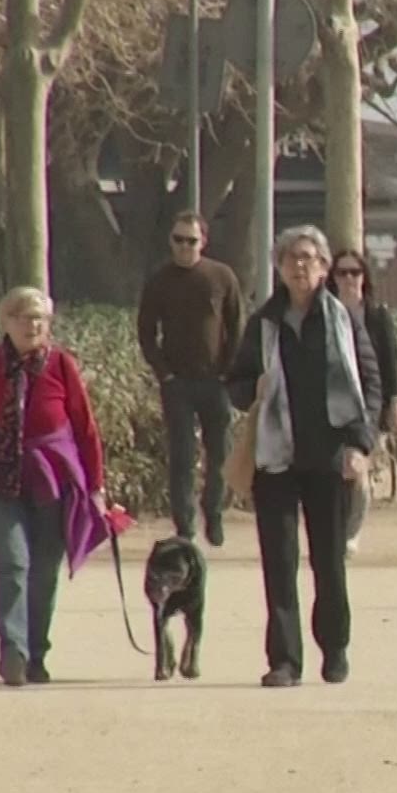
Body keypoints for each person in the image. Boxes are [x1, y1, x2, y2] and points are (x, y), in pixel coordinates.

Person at [226, 225, 383, 687]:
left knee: (329, 561)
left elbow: (369, 385)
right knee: (278, 562)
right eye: (291, 257)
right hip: (275, 456)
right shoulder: (264, 323)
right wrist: (251, 389)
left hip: (329, 455)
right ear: (278, 267)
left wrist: (360, 445)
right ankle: (285, 660)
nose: (300, 265)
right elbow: (235, 383)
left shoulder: (343, 320)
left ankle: (334, 649)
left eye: (309, 257)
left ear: (324, 267)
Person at [0, 287, 110, 686]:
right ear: (6, 322)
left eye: (40, 319)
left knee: (44, 570)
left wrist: (96, 488)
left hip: (52, 481)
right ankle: (13, 650)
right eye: (24, 317)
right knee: (12, 562)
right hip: (1, 481)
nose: (33, 326)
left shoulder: (61, 365)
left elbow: (86, 430)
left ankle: (36, 653)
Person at [137, 210, 245, 547]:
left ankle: (213, 511)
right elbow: (146, 331)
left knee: (220, 453)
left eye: (191, 241)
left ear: (203, 242)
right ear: (170, 242)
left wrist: (229, 370)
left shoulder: (221, 276)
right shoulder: (159, 280)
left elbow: (236, 326)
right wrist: (164, 373)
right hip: (178, 383)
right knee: (182, 456)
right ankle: (184, 523)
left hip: (215, 381)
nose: (184, 247)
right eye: (178, 240)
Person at [329, 249, 397, 555]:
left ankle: (350, 534)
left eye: (355, 272)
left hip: (369, 407)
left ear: (365, 277)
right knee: (336, 473)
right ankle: (334, 531)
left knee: (359, 469)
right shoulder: (324, 312)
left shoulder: (377, 316)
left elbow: (391, 362)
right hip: (333, 406)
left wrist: (396, 401)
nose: (349, 279)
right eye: (342, 273)